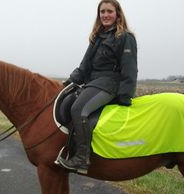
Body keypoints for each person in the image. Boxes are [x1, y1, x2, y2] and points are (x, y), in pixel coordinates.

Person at [57, 0, 138, 174]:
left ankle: (81, 159)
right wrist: (67, 83)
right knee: (68, 102)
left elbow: (130, 69)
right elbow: (84, 66)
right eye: (102, 12)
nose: (105, 15)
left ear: (118, 14)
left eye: (109, 11)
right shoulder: (97, 37)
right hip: (93, 83)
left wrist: (125, 96)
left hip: (110, 84)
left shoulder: (125, 37)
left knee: (78, 109)